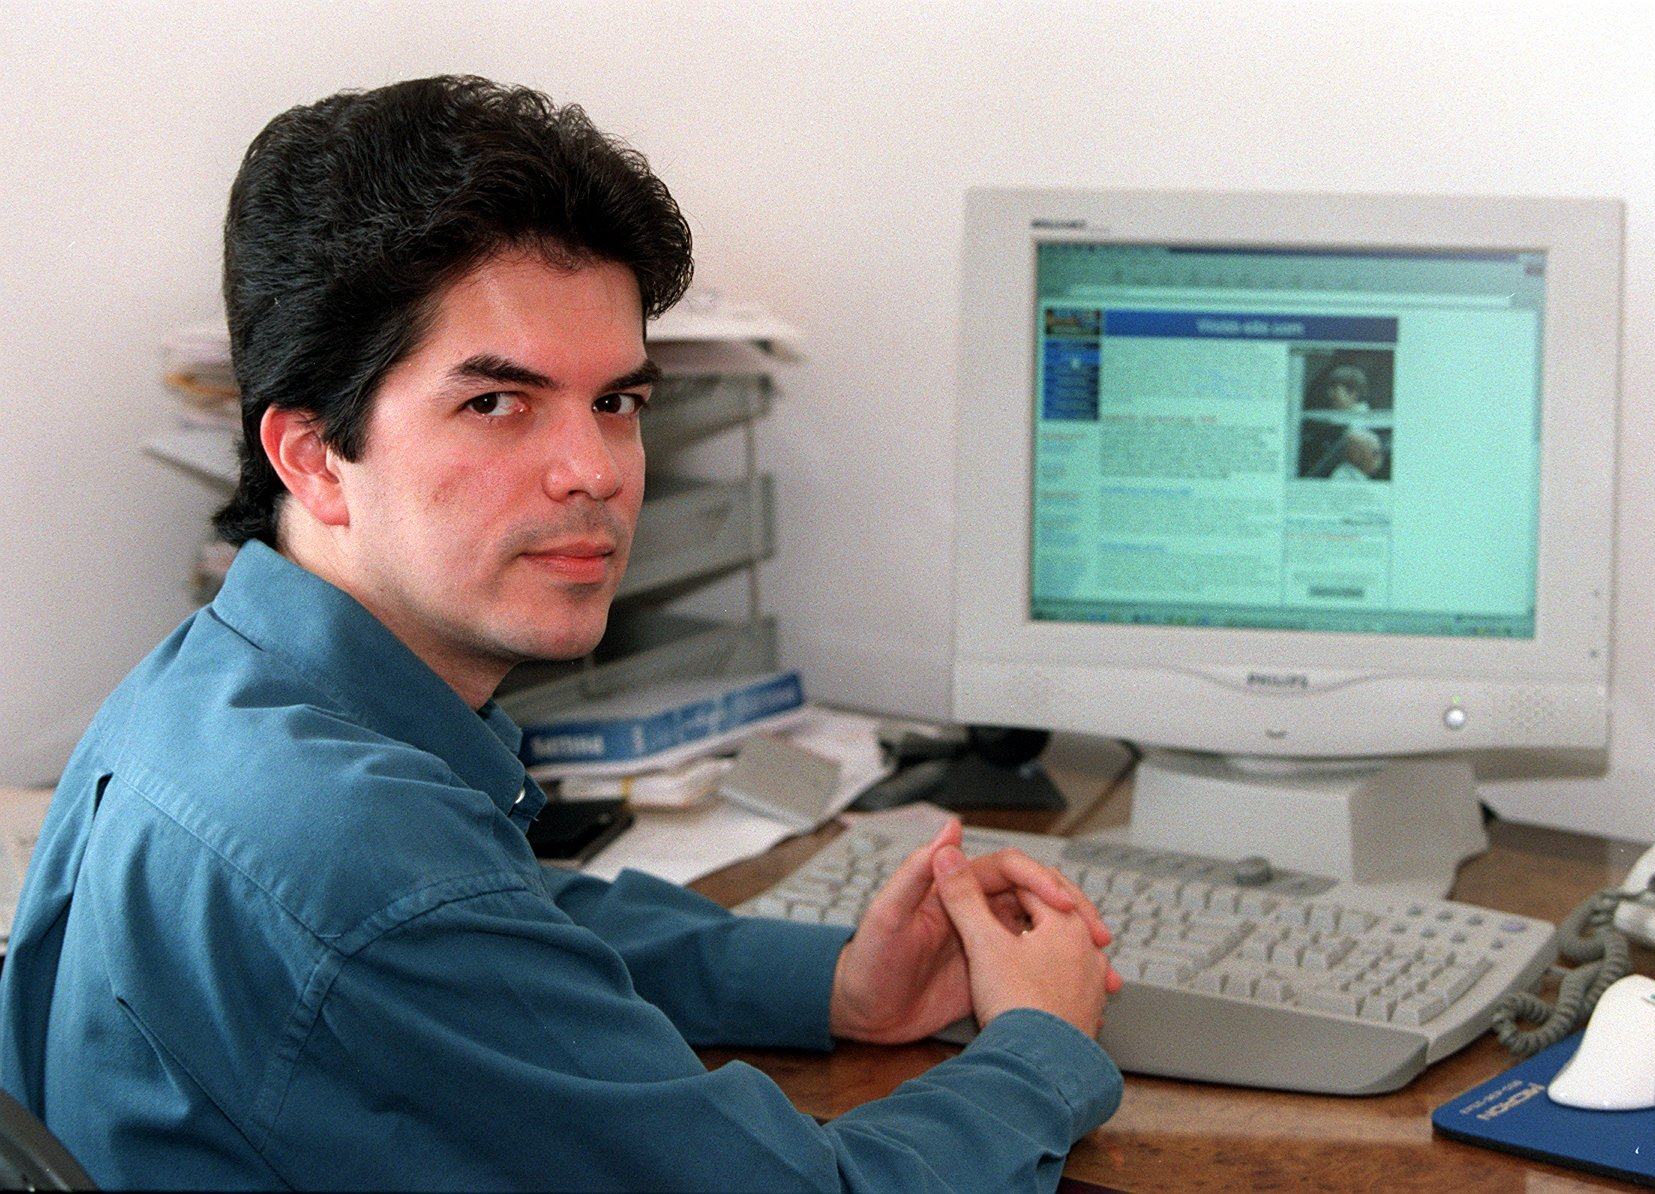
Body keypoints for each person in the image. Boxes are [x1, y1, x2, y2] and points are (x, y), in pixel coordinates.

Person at [0, 77, 1123, 1190]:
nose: (596, 472)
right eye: (496, 404)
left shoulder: (205, 688)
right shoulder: (361, 865)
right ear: (312, 454)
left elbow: (503, 927)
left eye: (618, 403)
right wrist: (1041, 1048)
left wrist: (830, 983)